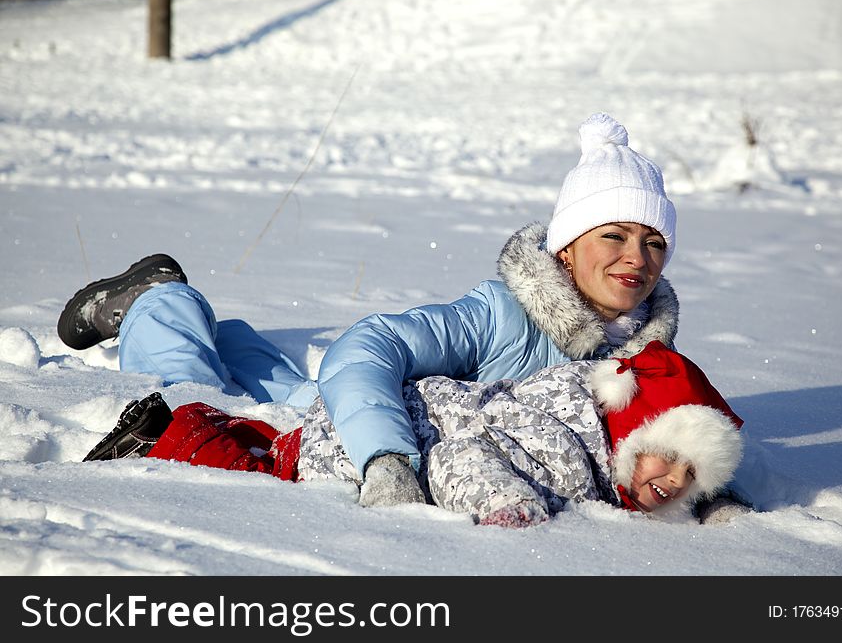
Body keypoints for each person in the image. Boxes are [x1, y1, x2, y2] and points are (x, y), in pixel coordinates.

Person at [58, 112, 686, 508]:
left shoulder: (649, 361)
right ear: (567, 248)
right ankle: (157, 303)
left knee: (292, 390)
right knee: (195, 395)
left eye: (653, 241)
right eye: (613, 234)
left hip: (334, 411)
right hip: (351, 433)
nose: (637, 256)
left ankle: (223, 337)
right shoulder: (503, 314)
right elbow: (366, 348)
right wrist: (385, 457)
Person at [83, 341, 744, 526]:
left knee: (274, 433)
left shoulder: (590, 430)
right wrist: (502, 501)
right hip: (385, 436)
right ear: (632, 429)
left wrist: (720, 498)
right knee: (264, 471)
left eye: (693, 479)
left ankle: (200, 409)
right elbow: (465, 452)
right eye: (672, 458)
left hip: (394, 411)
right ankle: (159, 437)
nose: (673, 481)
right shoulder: (574, 454)